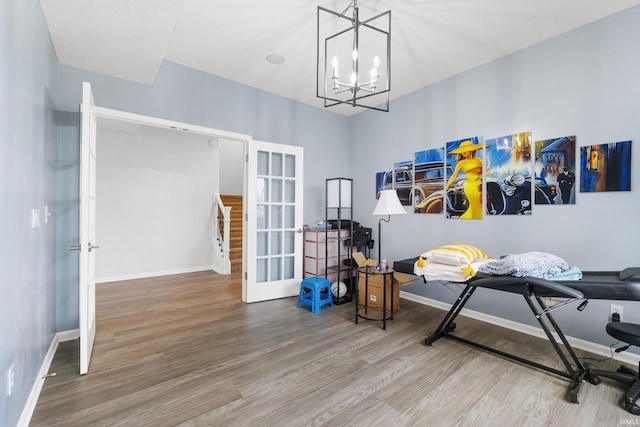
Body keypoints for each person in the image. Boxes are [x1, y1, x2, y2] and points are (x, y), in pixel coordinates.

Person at [446, 140, 484, 219]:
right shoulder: (461, 163)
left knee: (481, 204)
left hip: (480, 185)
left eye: (466, 149)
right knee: (476, 205)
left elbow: (487, 172)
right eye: (462, 150)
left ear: (471, 150)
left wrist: (482, 175)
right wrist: (446, 187)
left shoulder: (479, 160)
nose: (464, 152)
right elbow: (454, 176)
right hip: (470, 186)